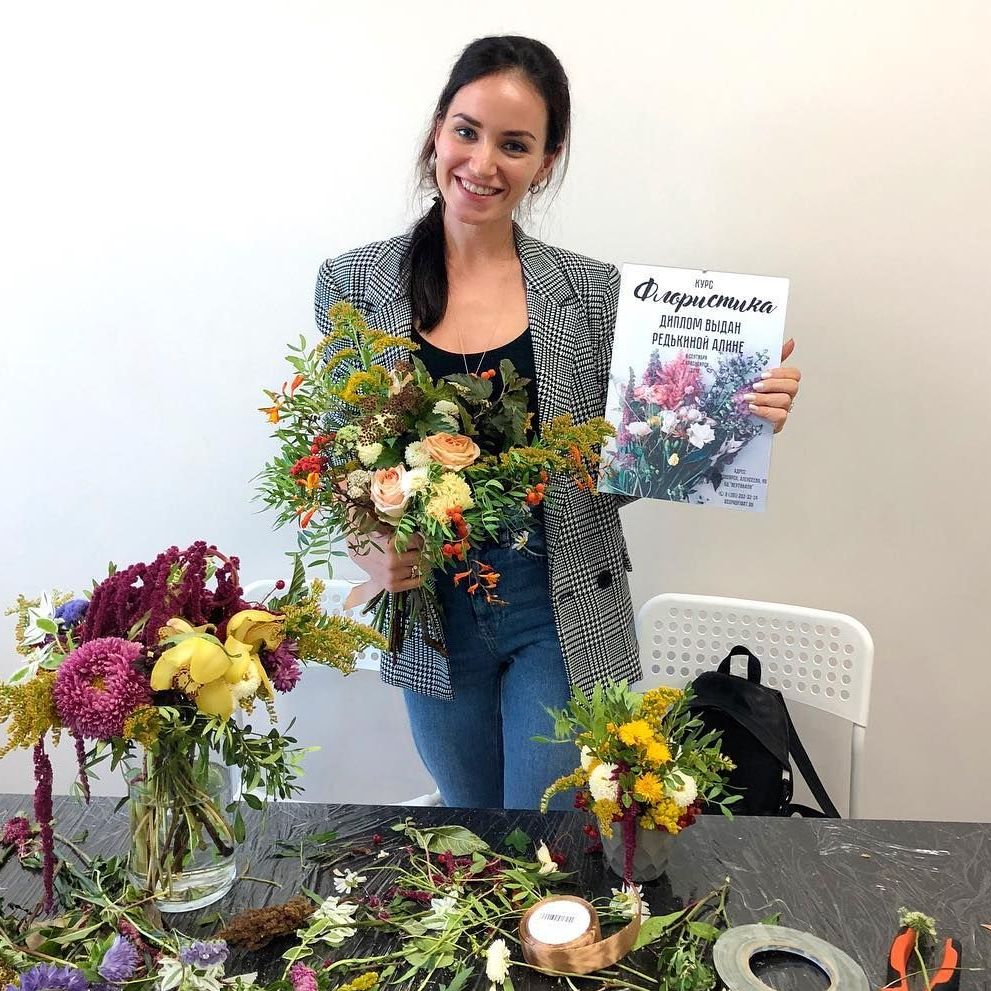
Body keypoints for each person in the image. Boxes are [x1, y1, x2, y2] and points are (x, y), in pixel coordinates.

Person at [314, 36, 801, 811]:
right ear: (437, 130)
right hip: (433, 609)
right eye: (467, 131)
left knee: (543, 831)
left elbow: (621, 465)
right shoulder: (353, 283)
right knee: (471, 825)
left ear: (545, 161)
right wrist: (367, 540)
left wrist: (731, 416)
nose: (482, 163)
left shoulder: (592, 291)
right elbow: (341, 455)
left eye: (513, 145)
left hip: (556, 602)